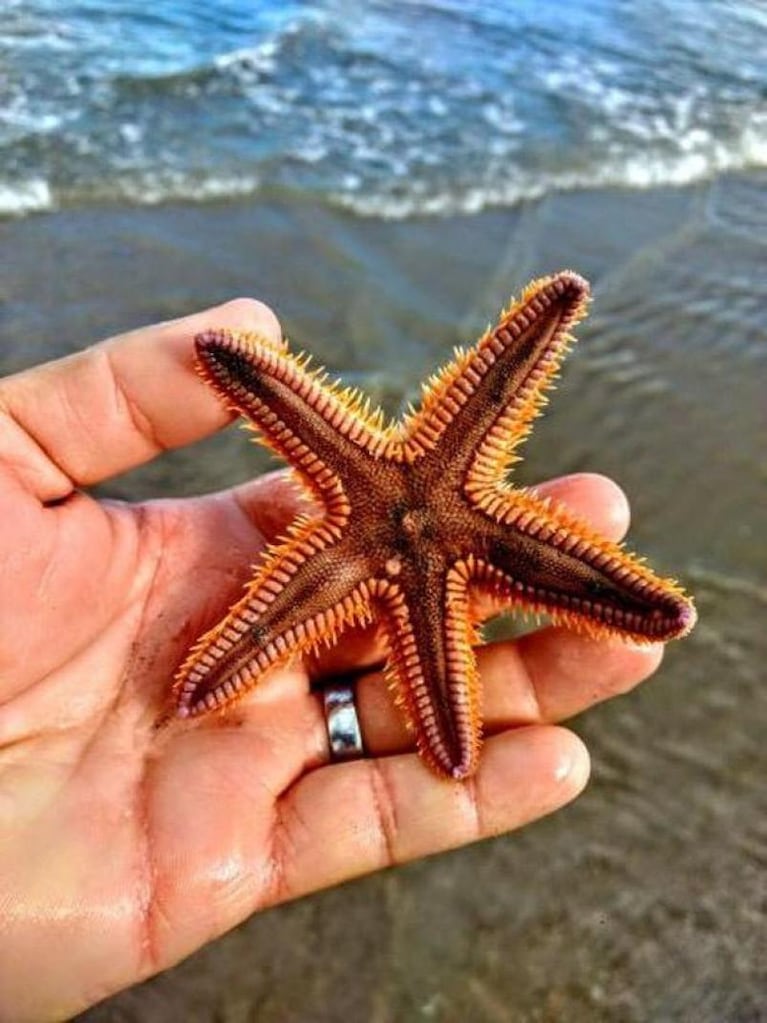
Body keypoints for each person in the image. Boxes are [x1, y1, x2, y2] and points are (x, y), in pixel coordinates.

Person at [0, 299, 663, 1021]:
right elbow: (259, 379)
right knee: (274, 661)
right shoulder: (375, 508)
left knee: (507, 669)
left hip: (373, 549)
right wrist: (242, 366)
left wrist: (244, 364)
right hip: (365, 547)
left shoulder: (396, 524)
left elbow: (496, 372)